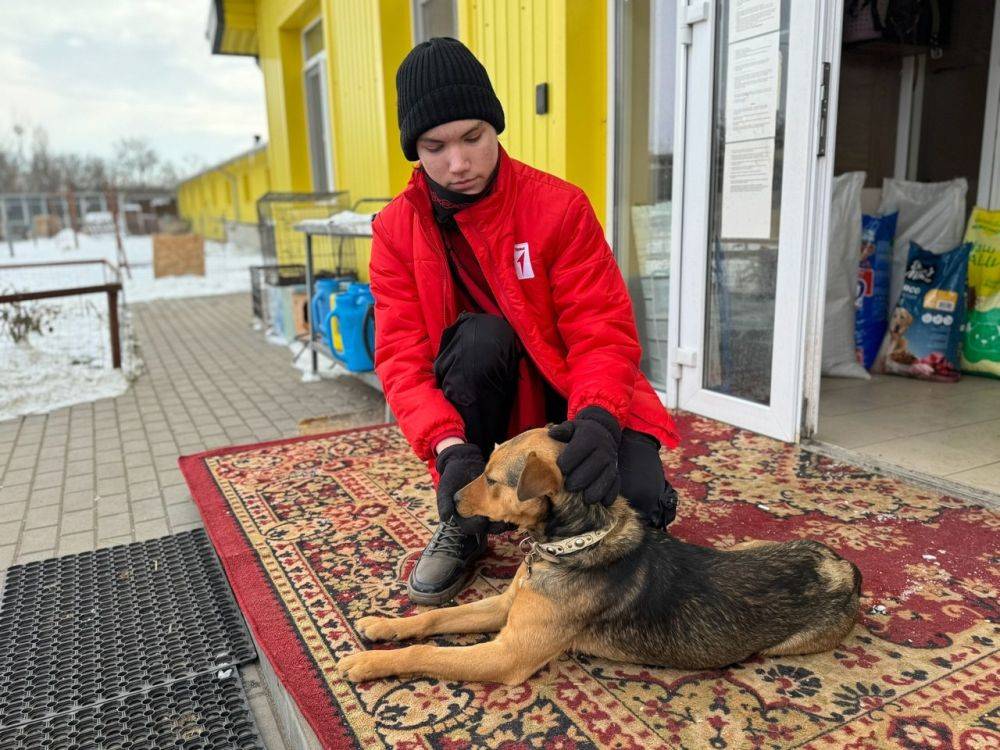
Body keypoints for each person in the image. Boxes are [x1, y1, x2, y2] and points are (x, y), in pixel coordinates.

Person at [369, 37, 680, 605]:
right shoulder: (394, 230)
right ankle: (467, 523)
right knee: (479, 335)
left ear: (496, 129)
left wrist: (600, 422)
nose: (458, 163)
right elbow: (400, 357)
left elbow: (601, 328)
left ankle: (635, 479)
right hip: (488, 394)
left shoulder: (558, 206)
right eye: (435, 146)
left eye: (472, 137)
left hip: (572, 395)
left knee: (637, 505)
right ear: (414, 149)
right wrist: (448, 448)